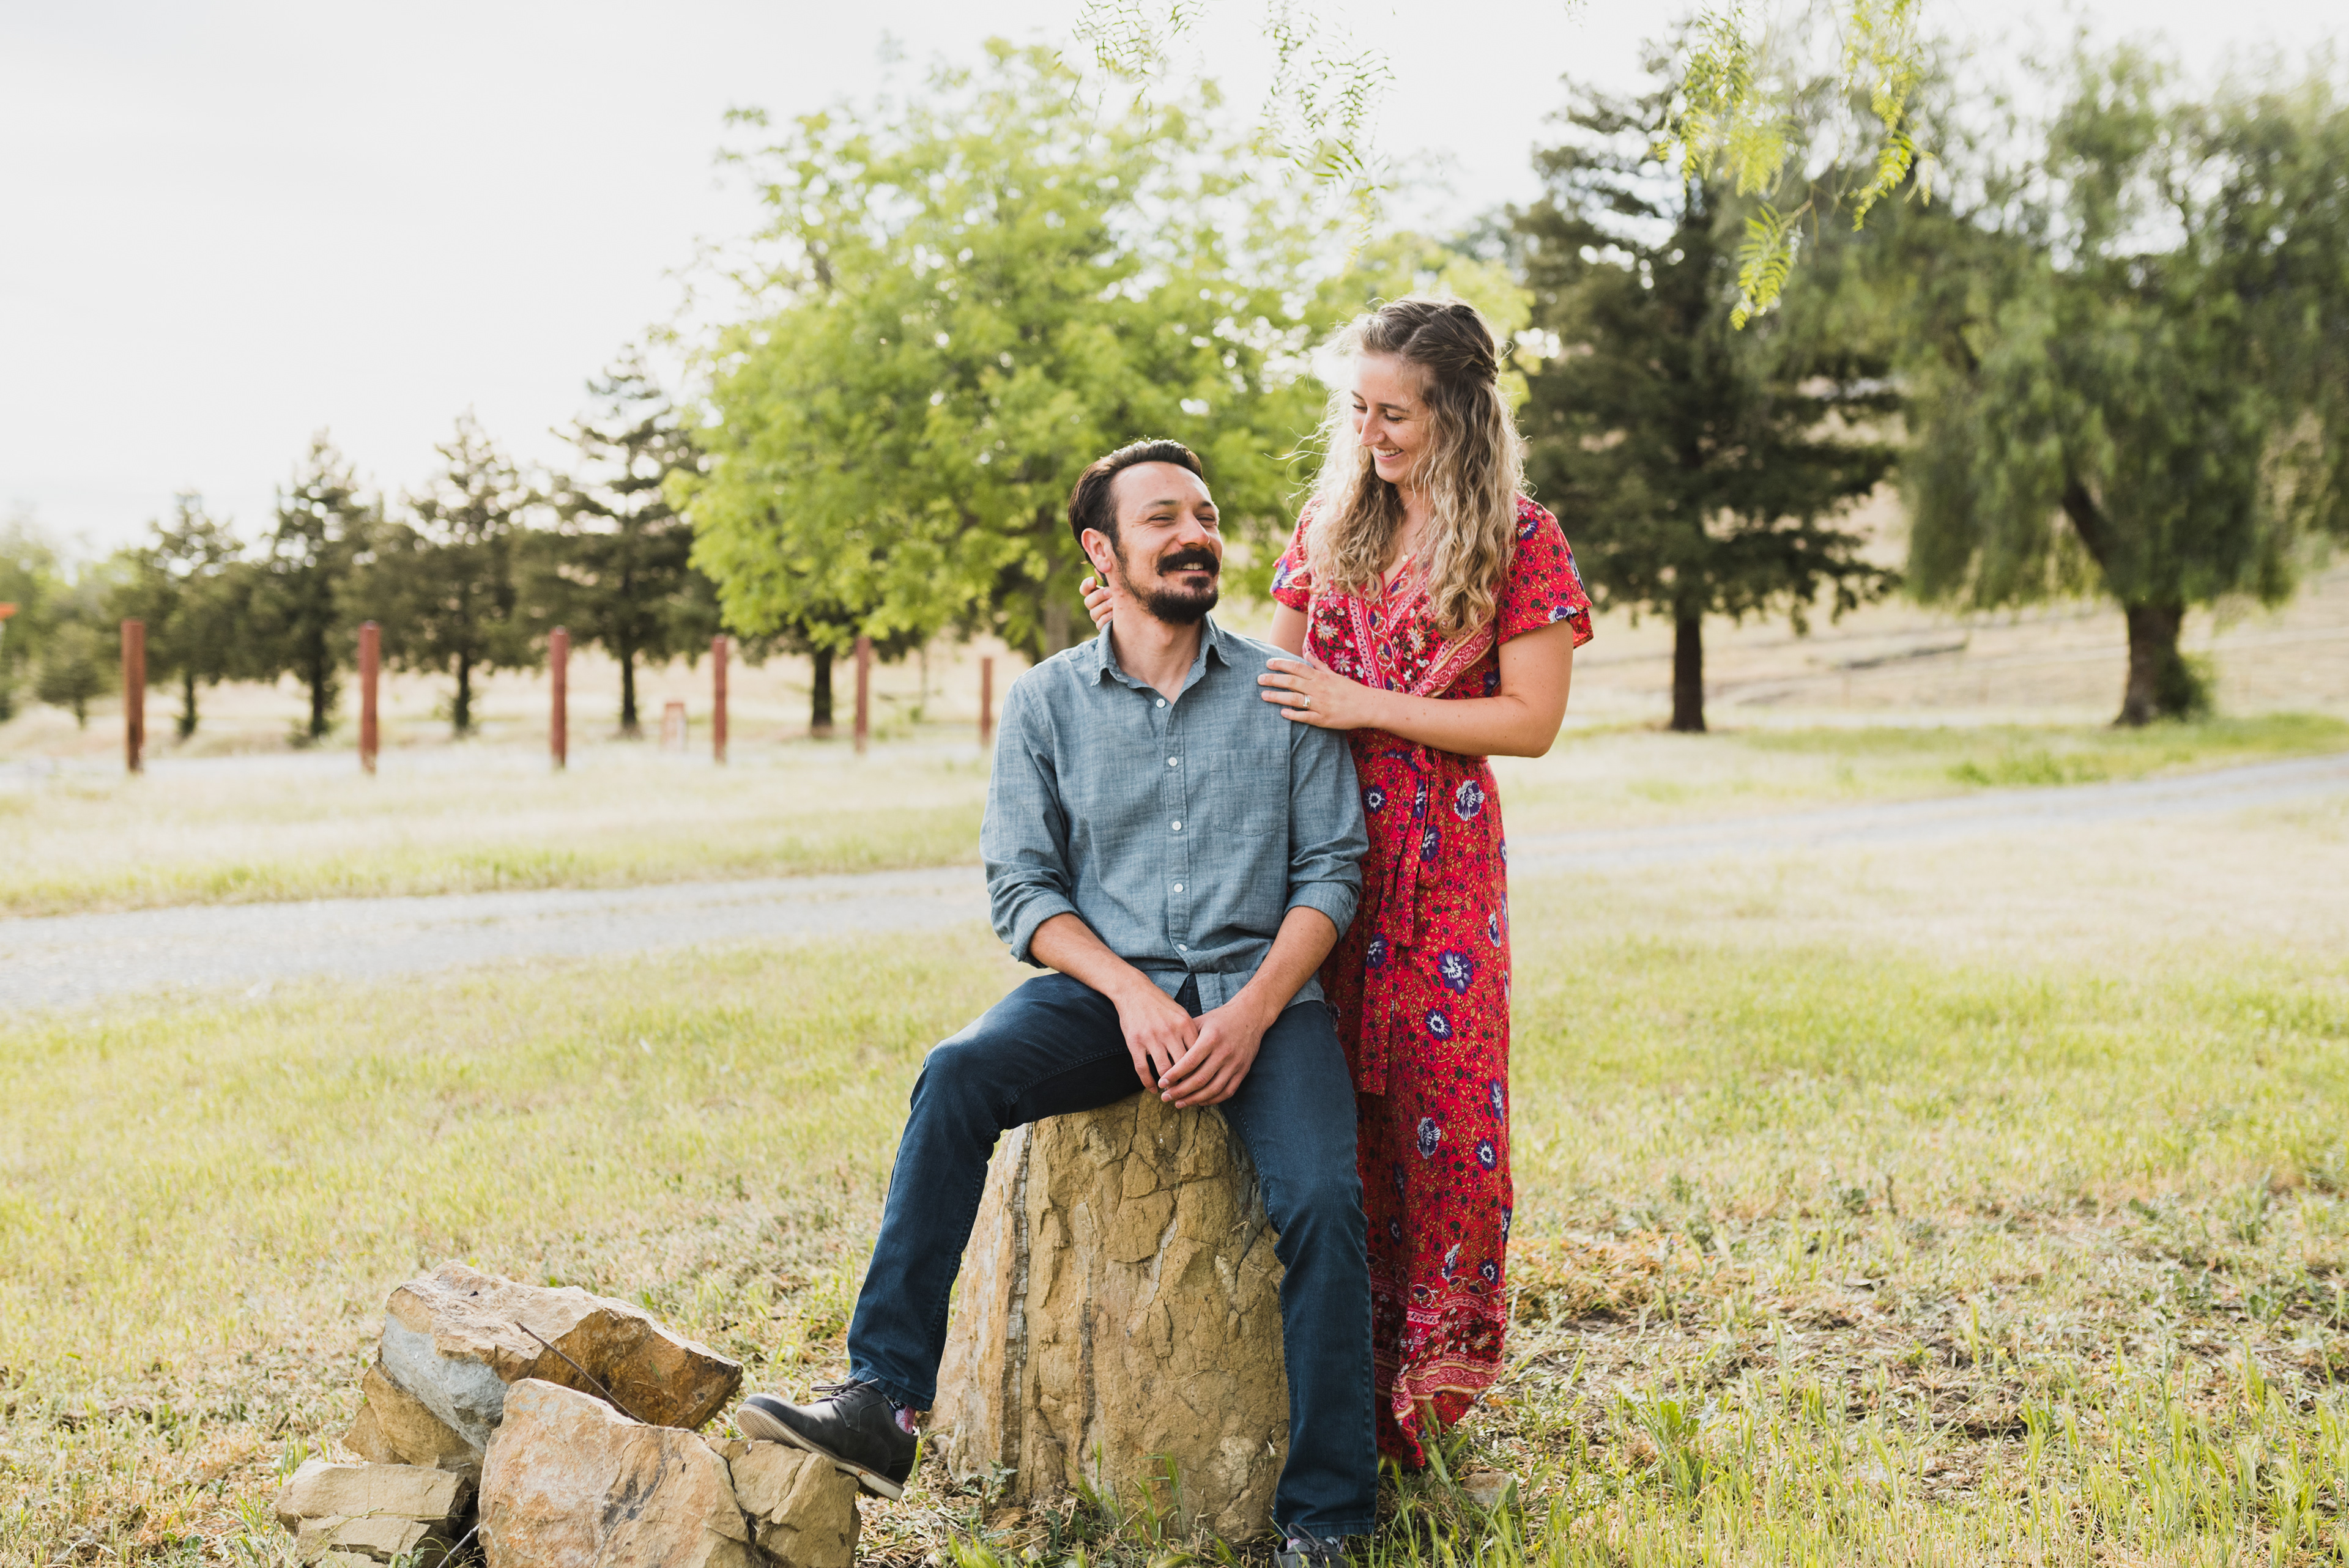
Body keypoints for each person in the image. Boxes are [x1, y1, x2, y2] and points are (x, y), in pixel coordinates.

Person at [737, 438, 1378, 1561]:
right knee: (958, 1073)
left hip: (1264, 1000)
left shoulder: (1284, 692)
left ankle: (1328, 1521)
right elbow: (1022, 889)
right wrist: (1131, 996)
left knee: (1324, 1196)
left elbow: (1332, 871)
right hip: (1106, 997)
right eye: (1162, 518)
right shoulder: (1045, 702)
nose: (1195, 535)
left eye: (1205, 515)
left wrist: (1249, 1014)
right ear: (1102, 551)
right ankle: (884, 1401)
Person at [1083, 298, 1592, 1468]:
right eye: (1357, 409)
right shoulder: (1331, 521)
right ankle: (1340, 1390)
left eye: (1395, 413)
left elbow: (1532, 721)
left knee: (1445, 1121)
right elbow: (1269, 680)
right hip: (1313, 850)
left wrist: (1368, 705)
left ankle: (1431, 1395)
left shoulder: (1522, 538)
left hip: (1444, 863)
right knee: (1335, 1113)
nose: (1370, 433)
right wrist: (1141, 620)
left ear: (1459, 412)